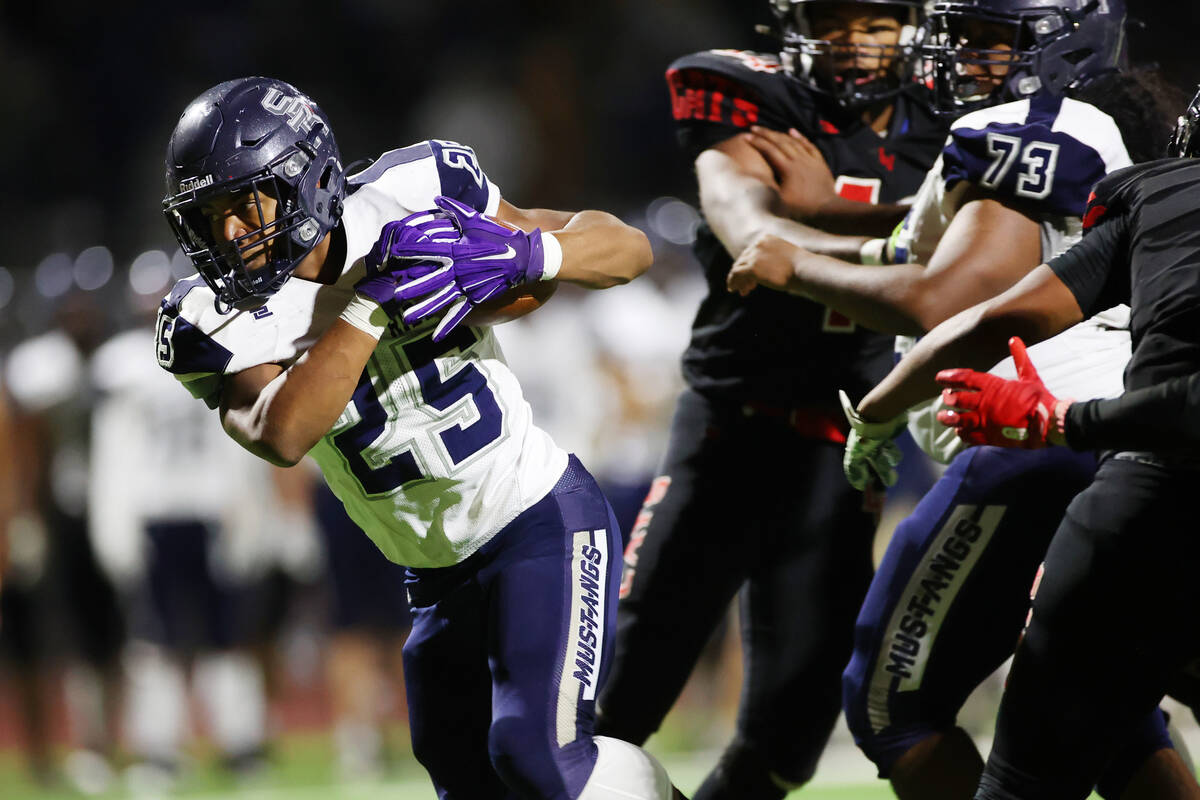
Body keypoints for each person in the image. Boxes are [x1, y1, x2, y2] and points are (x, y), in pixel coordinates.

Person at [155, 77, 686, 800]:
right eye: (208, 218)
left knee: (536, 754)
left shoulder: (414, 190)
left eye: (244, 207)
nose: (229, 237)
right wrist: (369, 302)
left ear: (305, 181)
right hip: (433, 576)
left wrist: (530, 258)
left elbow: (626, 249)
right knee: (466, 780)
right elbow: (282, 430)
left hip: (534, 519)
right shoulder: (205, 318)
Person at [725, 1, 1198, 797]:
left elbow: (965, 297)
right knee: (1106, 707)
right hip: (1126, 449)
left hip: (1030, 443)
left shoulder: (1032, 124)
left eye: (990, 39)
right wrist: (807, 230)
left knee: (891, 707)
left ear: (1062, 43)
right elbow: (935, 256)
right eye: (964, 36)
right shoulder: (1116, 147)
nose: (964, 56)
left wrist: (859, 377)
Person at [592, 2, 950, 797]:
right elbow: (744, 220)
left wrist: (824, 213)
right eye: (834, 17)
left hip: (848, 449)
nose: (855, 39)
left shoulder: (951, 117)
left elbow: (981, 253)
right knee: (620, 693)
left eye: (877, 21)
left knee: (790, 735)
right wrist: (908, 235)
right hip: (730, 429)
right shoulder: (753, 98)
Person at [839, 84, 1200, 800]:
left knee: (986, 754)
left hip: (1150, 495)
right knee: (1113, 711)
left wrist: (1064, 420)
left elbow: (989, 315)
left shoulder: (1164, 192)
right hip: (1135, 480)